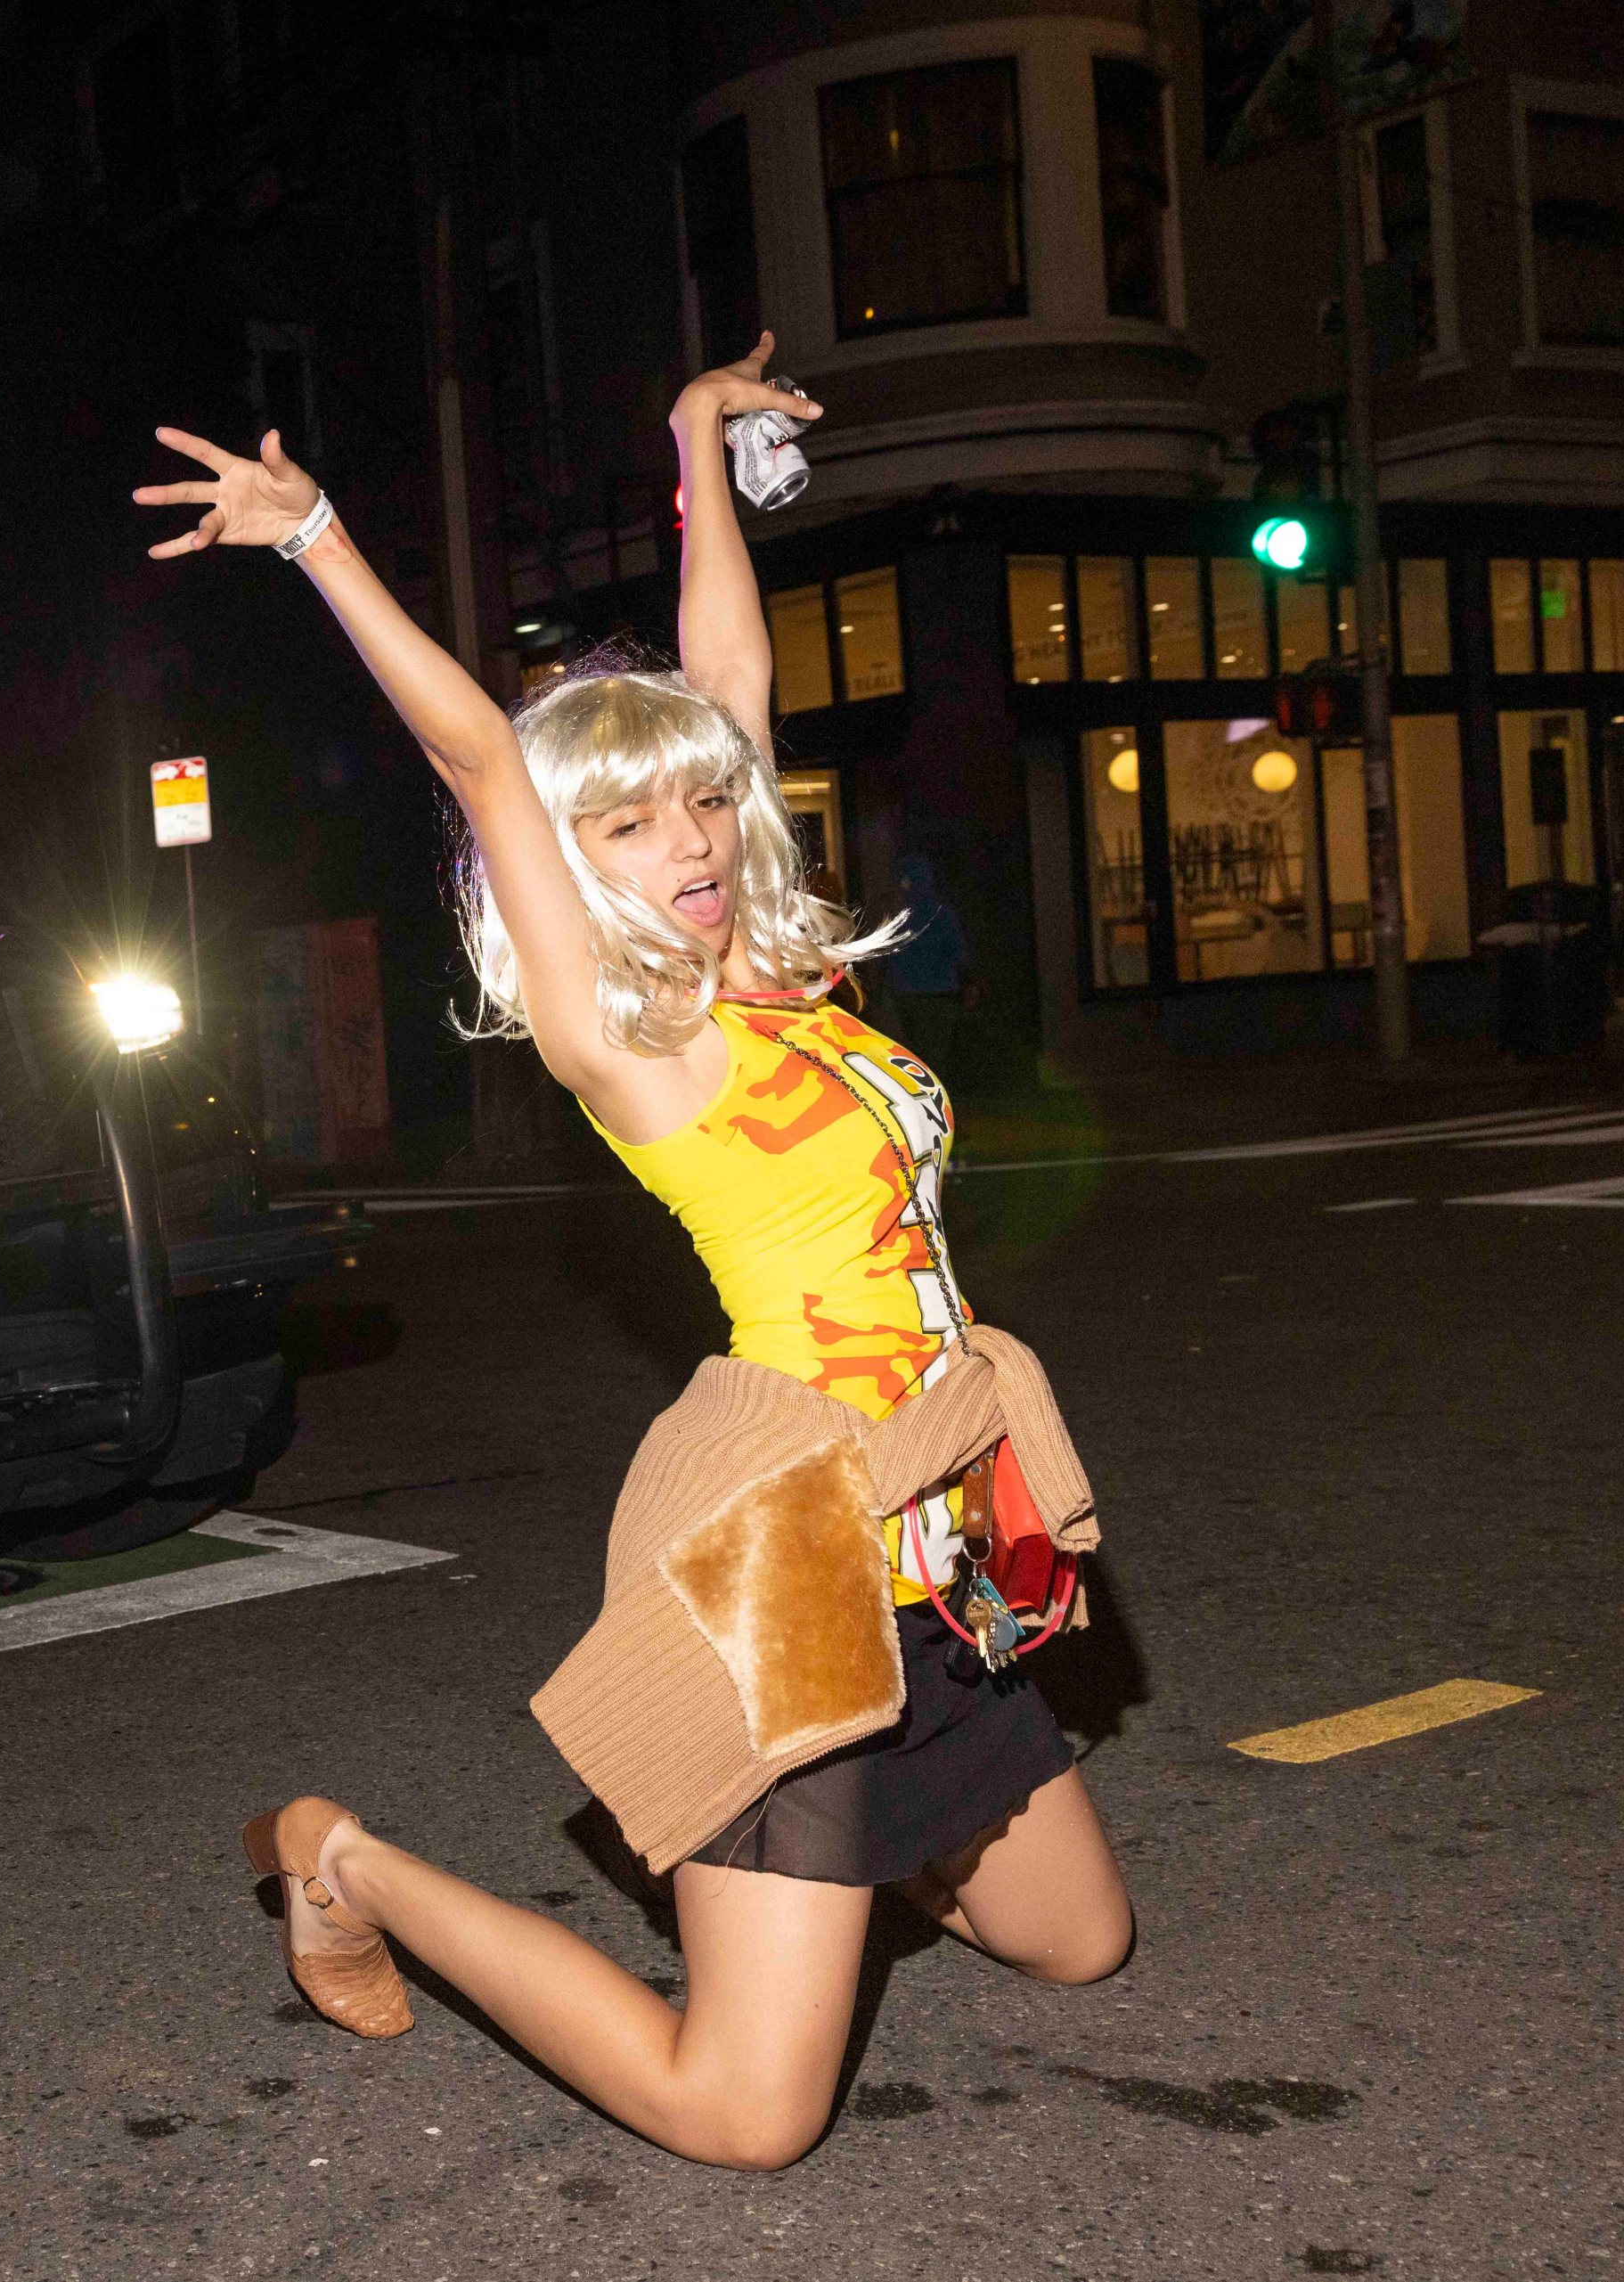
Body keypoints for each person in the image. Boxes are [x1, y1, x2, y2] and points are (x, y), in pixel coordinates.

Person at [135, 333, 1133, 2172]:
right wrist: (320, 539)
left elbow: (732, 677)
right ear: (570, 870)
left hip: (930, 1497)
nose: (685, 835)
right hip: (788, 1534)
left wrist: (692, 436)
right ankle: (341, 1859)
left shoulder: (774, 967)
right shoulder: (635, 1041)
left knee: (1080, 1937)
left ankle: (827, 1868)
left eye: (697, 801)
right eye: (628, 819)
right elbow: (471, 753)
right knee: (743, 2112)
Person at [869, 849, 978, 1075]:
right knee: (932, 1053)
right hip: (929, 993)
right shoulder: (932, 911)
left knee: (923, 1053)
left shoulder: (909, 913)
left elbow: (956, 951)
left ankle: (930, 1099)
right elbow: (958, 952)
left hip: (922, 994)